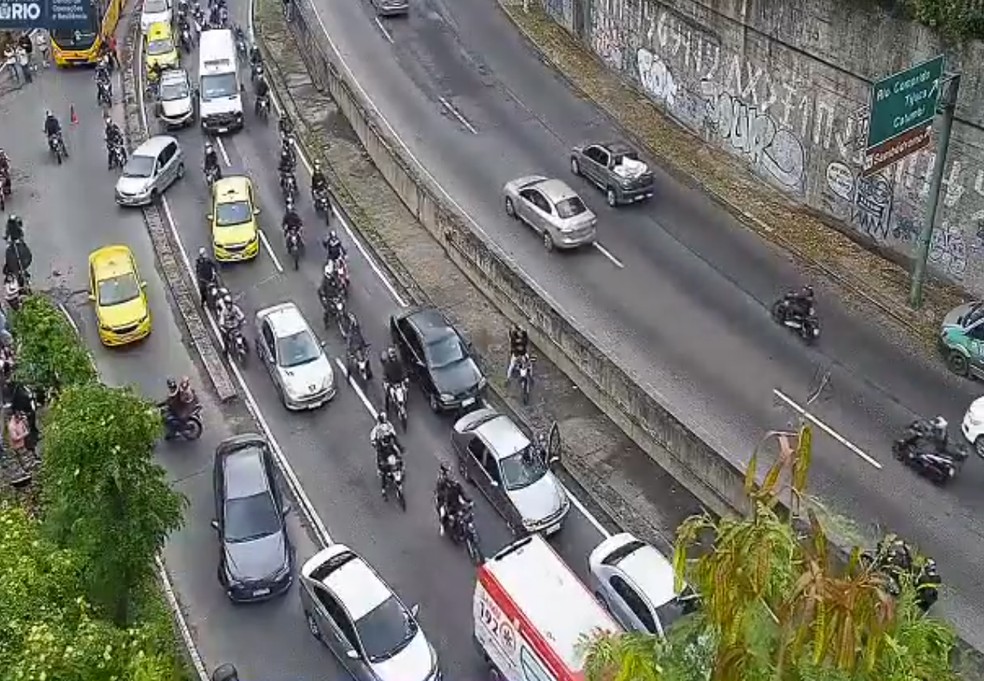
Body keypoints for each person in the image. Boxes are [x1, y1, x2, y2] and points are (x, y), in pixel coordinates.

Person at [370, 412, 402, 494]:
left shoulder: (388, 425)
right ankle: (383, 488)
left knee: (399, 456)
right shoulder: (377, 430)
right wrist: (377, 444)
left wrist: (396, 444)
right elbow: (373, 440)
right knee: (382, 469)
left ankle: (400, 469)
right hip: (382, 450)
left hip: (390, 447)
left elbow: (394, 434)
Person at [435, 463, 470, 537]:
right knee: (443, 514)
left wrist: (468, 501)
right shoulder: (441, 481)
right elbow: (440, 493)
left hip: (455, 501)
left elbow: (462, 493)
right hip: (444, 502)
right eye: (448, 472)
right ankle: (442, 526)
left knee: (464, 513)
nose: (450, 473)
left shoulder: (455, 484)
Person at [380, 346, 407, 410]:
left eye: (394, 356)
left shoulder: (399, 362)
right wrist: (386, 381)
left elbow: (403, 370)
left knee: (405, 389)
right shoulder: (387, 365)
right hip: (391, 382)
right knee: (387, 392)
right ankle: (387, 406)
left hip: (400, 381)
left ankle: (404, 400)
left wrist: (405, 377)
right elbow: (385, 374)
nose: (393, 358)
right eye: (392, 357)